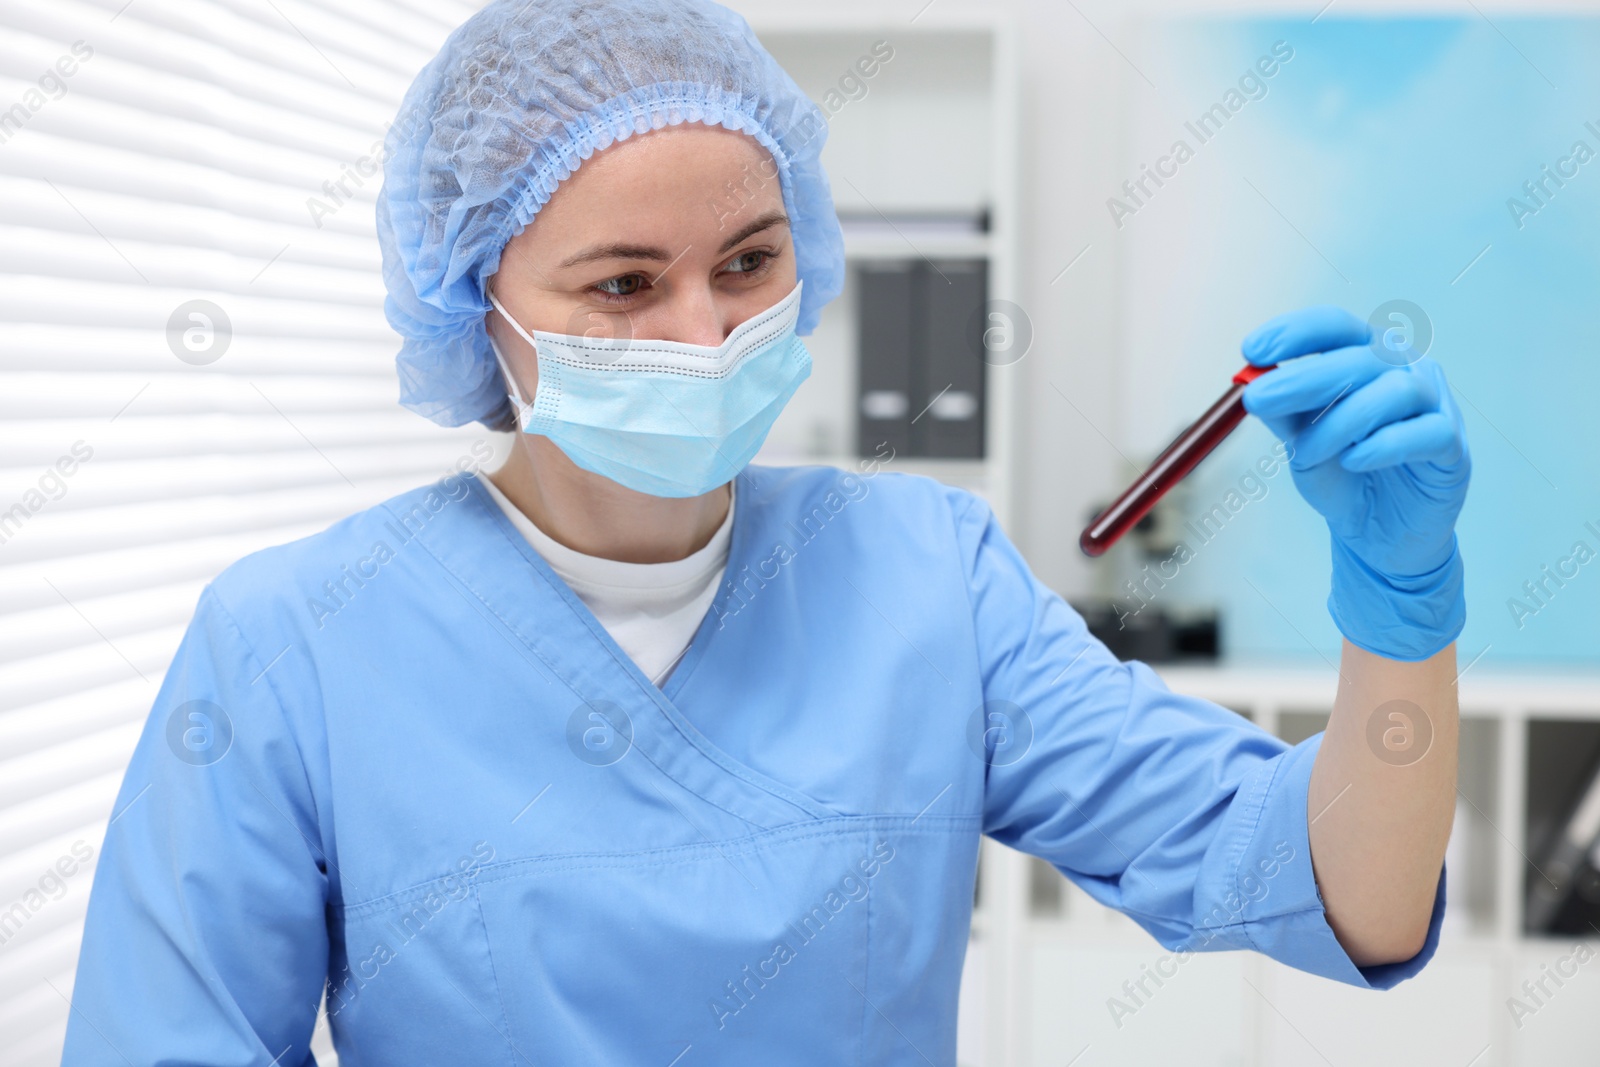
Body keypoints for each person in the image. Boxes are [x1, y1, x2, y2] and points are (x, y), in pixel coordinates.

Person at [63, 0, 1471, 1063]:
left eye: (748, 261)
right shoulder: (295, 644)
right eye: (624, 286)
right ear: (474, 308)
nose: (707, 331)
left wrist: (1399, 613)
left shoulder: (928, 577)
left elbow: (1345, 892)